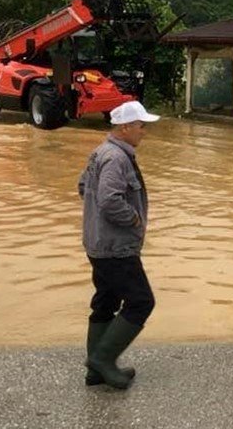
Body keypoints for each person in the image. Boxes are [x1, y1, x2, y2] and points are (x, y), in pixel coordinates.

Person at [78, 100, 160, 389]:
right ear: (125, 127)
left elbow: (82, 188)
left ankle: (96, 372)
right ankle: (102, 360)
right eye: (140, 126)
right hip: (115, 247)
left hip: (98, 242)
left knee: (106, 301)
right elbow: (110, 199)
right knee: (141, 301)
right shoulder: (116, 158)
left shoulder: (102, 151)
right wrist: (134, 219)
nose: (144, 132)